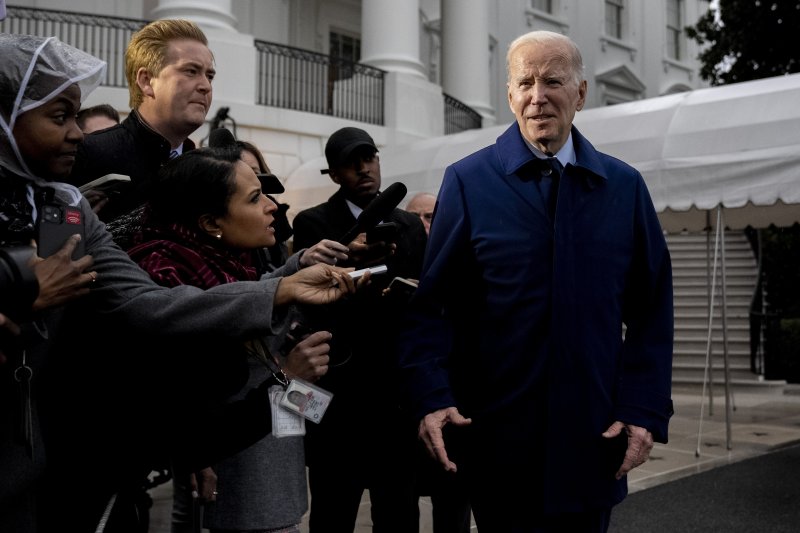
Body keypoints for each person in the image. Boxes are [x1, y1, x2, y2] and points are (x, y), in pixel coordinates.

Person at [0, 34, 361, 533]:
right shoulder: (107, 180)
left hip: (226, 450)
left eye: (210, 74)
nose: (76, 134)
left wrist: (283, 287)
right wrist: (285, 374)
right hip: (102, 439)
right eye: (255, 195)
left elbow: (152, 303)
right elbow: (179, 367)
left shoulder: (63, 204)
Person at [397, 30, 674, 532]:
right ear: (509, 96)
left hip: (594, 442)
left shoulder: (624, 186)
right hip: (497, 445)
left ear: (582, 93)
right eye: (525, 82)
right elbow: (432, 308)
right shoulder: (468, 181)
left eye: (553, 80)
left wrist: (643, 407)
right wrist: (431, 395)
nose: (537, 96)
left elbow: (652, 309)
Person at [128, 144, 332, 533]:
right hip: (242, 486)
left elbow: (247, 299)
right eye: (255, 198)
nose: (274, 206)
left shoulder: (225, 263)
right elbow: (199, 422)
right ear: (209, 222)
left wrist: (296, 270)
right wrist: (289, 377)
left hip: (276, 474)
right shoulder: (171, 278)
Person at [292, 127, 428, 532]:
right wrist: (351, 264)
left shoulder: (410, 225)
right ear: (334, 174)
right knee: (333, 512)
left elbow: (422, 296)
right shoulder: (314, 224)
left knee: (401, 513)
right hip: (339, 402)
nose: (364, 168)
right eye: (352, 163)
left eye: (369, 157)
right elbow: (308, 306)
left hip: (396, 399)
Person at [68, 18, 215, 223]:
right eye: (191, 71)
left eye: (210, 76)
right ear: (146, 81)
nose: (205, 86)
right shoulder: (86, 154)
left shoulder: (208, 171)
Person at [402, 191, 473, 533]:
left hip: (450, 400)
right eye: (415, 217)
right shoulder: (394, 256)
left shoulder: (459, 258)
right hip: (401, 408)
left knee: (453, 503)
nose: (423, 225)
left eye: (430, 217)